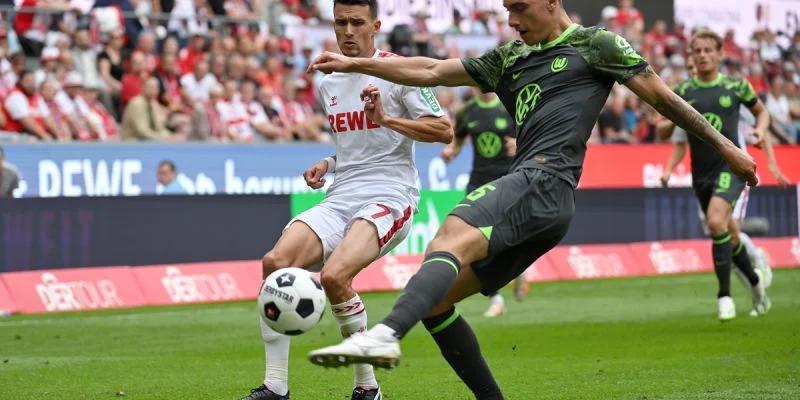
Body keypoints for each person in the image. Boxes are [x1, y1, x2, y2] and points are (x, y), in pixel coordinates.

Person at [305, 1, 758, 398]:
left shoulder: (596, 45)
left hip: (544, 180)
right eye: (507, 9)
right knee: (436, 301)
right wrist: (356, 65)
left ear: (552, 1)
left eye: (520, 7)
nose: (512, 19)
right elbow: (431, 71)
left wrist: (729, 148)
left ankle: (384, 334)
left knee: (448, 239)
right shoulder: (510, 58)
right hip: (545, 204)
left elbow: (664, 99)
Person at [239, 0, 452, 399]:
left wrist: (386, 118)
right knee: (275, 264)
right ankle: (276, 386)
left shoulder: (400, 72)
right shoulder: (329, 81)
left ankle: (367, 388)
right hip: (343, 193)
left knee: (335, 277)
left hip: (391, 193)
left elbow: (443, 130)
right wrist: (329, 162)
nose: (348, 31)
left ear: (376, 25)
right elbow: (356, 148)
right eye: (341, 22)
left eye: (357, 22)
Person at [655, 30, 771, 321]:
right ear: (692, 56)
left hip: (731, 167)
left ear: (720, 54)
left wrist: (760, 131)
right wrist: (671, 121)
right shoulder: (682, 91)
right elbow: (661, 130)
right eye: (698, 51)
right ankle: (756, 285)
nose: (703, 55)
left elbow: (762, 112)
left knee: (716, 221)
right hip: (701, 174)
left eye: (708, 50)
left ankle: (724, 297)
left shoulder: (735, 86)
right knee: (727, 234)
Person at [440, 88, 527, 317]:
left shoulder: (509, 107)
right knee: (473, 238)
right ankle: (497, 299)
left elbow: (531, 138)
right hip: (478, 183)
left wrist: (520, 146)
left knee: (507, 237)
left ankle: (518, 269)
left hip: (507, 180)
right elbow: (457, 142)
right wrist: (450, 153)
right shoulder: (466, 111)